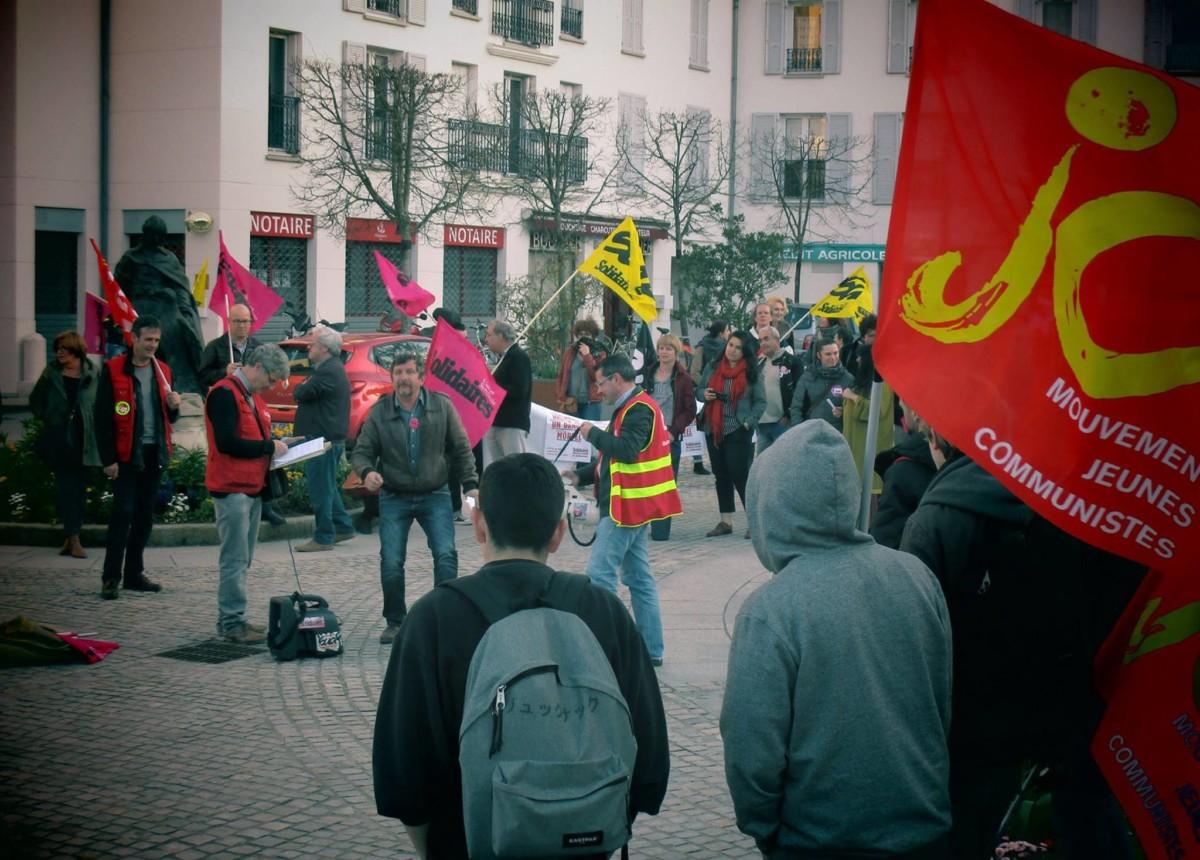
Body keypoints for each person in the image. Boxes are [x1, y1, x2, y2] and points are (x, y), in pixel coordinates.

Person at [373, 453, 670, 859]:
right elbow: (650, 762)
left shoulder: (432, 620)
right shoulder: (605, 613)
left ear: (479, 525)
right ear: (558, 533)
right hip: (586, 845)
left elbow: (402, 777)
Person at [900, 431, 1145, 860]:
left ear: (940, 441)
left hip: (970, 729)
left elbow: (913, 642)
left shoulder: (938, 517)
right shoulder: (1081, 498)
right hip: (1071, 717)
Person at [721, 421, 952, 858]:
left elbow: (751, 751)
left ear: (769, 505)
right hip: (926, 828)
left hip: (818, 839)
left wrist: (766, 829)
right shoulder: (916, 576)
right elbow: (940, 707)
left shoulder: (771, 611)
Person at [352, 351, 479, 644]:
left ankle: (443, 618)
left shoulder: (442, 406)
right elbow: (361, 451)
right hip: (393, 496)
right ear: (392, 377)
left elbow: (461, 449)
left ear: (421, 378)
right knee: (391, 562)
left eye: (410, 372)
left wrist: (470, 485)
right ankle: (395, 622)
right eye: (398, 372)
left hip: (434, 493)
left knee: (446, 555)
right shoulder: (380, 411)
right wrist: (367, 471)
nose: (404, 378)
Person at [564, 354, 681, 666]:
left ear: (617, 379)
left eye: (601, 382)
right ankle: (651, 649)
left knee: (599, 576)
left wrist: (592, 434)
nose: (598, 390)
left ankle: (606, 649)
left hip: (626, 507)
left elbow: (627, 451)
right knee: (639, 578)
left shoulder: (639, 409)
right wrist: (582, 475)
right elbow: (611, 460)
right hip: (630, 505)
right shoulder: (630, 407)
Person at [204, 344, 290, 644]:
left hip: (250, 488)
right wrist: (269, 448)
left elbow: (254, 435)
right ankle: (231, 623)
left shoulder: (249, 395)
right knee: (235, 559)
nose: (272, 385)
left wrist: (277, 444)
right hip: (232, 489)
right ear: (257, 367)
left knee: (243, 558)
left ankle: (235, 618)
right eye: (271, 378)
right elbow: (227, 442)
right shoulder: (225, 393)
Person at [94, 315, 182, 599]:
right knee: (122, 514)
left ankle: (134, 574)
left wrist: (174, 407)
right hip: (126, 453)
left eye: (157, 341)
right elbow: (102, 417)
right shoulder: (114, 369)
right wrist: (108, 459)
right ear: (134, 339)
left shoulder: (163, 371)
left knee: (144, 516)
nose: (153, 346)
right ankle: (110, 577)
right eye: (148, 340)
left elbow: (169, 417)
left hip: (153, 451)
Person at [30, 331, 102, 558]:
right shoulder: (51, 373)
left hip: (84, 440)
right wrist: (50, 419)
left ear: (76, 351)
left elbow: (102, 405)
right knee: (66, 487)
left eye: (65, 349)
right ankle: (75, 539)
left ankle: (70, 537)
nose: (60, 353)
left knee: (79, 490)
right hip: (60, 439)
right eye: (58, 348)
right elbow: (35, 401)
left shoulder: (93, 374)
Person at [113, 215, 205, 394]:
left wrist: (185, 310)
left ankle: (179, 382)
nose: (156, 240)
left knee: (179, 333)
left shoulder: (169, 258)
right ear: (145, 235)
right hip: (138, 307)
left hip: (164, 306)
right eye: (152, 235)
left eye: (159, 236)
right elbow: (118, 287)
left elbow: (180, 287)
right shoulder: (131, 257)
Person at [292, 324, 355, 552]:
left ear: (326, 349)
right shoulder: (328, 368)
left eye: (314, 343)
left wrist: (304, 385)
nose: (309, 346)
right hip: (325, 437)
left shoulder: (328, 371)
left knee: (320, 488)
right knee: (327, 487)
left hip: (323, 439)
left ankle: (323, 536)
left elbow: (300, 393)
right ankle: (343, 526)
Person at [699, 330, 765, 538]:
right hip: (714, 428)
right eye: (731, 345)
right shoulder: (713, 367)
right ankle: (725, 521)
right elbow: (699, 389)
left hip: (738, 429)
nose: (733, 350)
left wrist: (748, 422)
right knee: (721, 475)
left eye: (738, 347)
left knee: (741, 476)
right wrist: (705, 394)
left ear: (745, 351)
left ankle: (755, 522)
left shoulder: (752, 373)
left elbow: (761, 402)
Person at [640, 333, 697, 542]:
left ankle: (661, 529)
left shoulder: (683, 378)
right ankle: (639, 524)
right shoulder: (647, 373)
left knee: (665, 484)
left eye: (668, 348)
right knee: (643, 482)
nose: (664, 352)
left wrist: (674, 432)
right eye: (661, 348)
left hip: (669, 437)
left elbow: (689, 410)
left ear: (676, 352)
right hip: (646, 436)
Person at [870, 402, 937, 550]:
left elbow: (884, 540)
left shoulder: (902, 472)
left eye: (903, 407)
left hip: (911, 566)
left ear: (915, 414)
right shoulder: (970, 467)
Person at [482, 319, 531, 467]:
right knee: (500, 469)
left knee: (515, 467)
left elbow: (519, 390)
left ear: (501, 336)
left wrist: (492, 386)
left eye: (489, 335)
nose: (486, 339)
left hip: (512, 423)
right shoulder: (503, 358)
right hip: (497, 421)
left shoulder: (518, 357)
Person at [790, 337, 855, 431]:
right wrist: (799, 431)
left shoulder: (848, 378)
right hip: (813, 432)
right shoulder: (808, 377)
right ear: (819, 355)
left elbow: (856, 409)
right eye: (828, 354)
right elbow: (796, 407)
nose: (833, 357)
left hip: (838, 434)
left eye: (835, 353)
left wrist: (844, 411)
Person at [754, 325, 801, 456]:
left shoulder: (792, 362)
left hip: (782, 423)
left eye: (766, 339)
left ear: (777, 339)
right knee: (762, 465)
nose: (763, 343)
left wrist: (788, 415)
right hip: (762, 424)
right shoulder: (758, 364)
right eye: (760, 340)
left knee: (783, 462)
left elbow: (799, 393)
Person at [690, 319, 729, 476]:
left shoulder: (727, 349)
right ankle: (699, 462)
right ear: (721, 333)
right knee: (700, 427)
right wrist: (706, 386)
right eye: (727, 330)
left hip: (715, 392)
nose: (729, 334)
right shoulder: (704, 347)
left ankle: (700, 462)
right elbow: (695, 371)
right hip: (705, 392)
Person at [555, 317, 603, 421]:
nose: (583, 337)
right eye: (581, 334)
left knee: (589, 434)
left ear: (593, 336)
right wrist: (561, 395)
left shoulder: (600, 353)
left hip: (591, 403)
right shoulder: (570, 352)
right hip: (571, 402)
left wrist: (587, 355)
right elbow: (562, 374)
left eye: (587, 334)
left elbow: (596, 377)